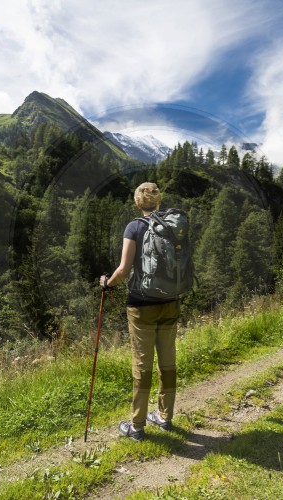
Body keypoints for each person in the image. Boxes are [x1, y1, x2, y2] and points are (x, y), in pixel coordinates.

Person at [100, 182, 180, 442]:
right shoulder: (172, 226)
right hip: (170, 300)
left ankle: (137, 426)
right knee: (167, 362)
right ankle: (165, 417)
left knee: (142, 365)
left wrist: (106, 283)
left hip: (142, 304)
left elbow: (124, 271)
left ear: (137, 203)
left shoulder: (134, 227)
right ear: (158, 202)